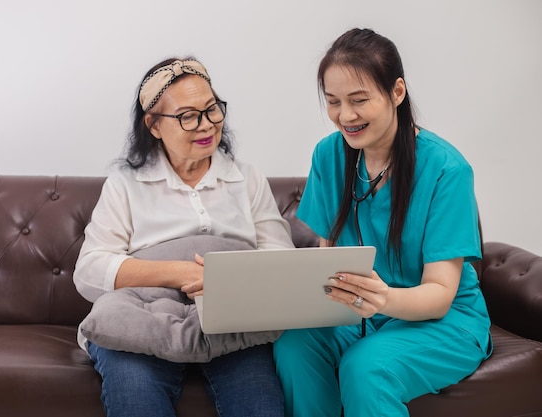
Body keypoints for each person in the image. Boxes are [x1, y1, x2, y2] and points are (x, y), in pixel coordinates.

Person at [273, 28, 492, 417]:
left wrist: (385, 299)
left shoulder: (446, 169)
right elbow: (327, 255)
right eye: (333, 102)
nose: (345, 116)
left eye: (359, 100)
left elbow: (440, 293)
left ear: (396, 92)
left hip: (442, 321)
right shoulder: (329, 155)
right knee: (294, 347)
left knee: (367, 367)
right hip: (361, 313)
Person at [73, 57, 293, 417]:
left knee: (258, 405)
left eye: (212, 110)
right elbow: (89, 270)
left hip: (231, 318)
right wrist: (182, 273)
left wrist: (230, 279)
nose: (206, 125)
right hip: (144, 319)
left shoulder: (246, 178)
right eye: (187, 116)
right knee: (136, 399)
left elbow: (280, 257)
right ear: (154, 125)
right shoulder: (125, 185)